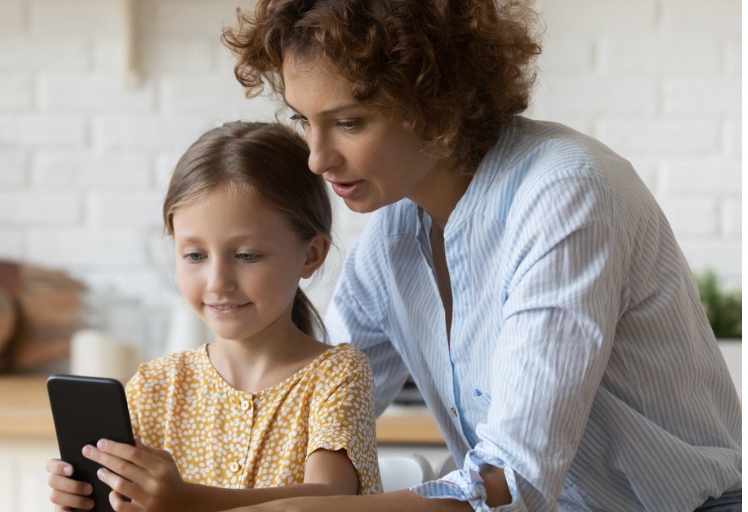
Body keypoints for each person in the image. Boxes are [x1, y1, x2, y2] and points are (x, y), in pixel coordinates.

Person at [217, 1, 742, 511]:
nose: (317, 157)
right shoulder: (392, 241)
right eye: (303, 120)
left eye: (349, 122)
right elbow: (319, 412)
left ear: (434, 97)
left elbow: (513, 482)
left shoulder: (567, 193)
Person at [45, 121, 382, 512]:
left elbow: (330, 498)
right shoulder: (155, 387)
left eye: (246, 256)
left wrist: (186, 501)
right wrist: (83, 502)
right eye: (195, 256)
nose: (218, 282)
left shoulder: (337, 374)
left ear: (311, 254)